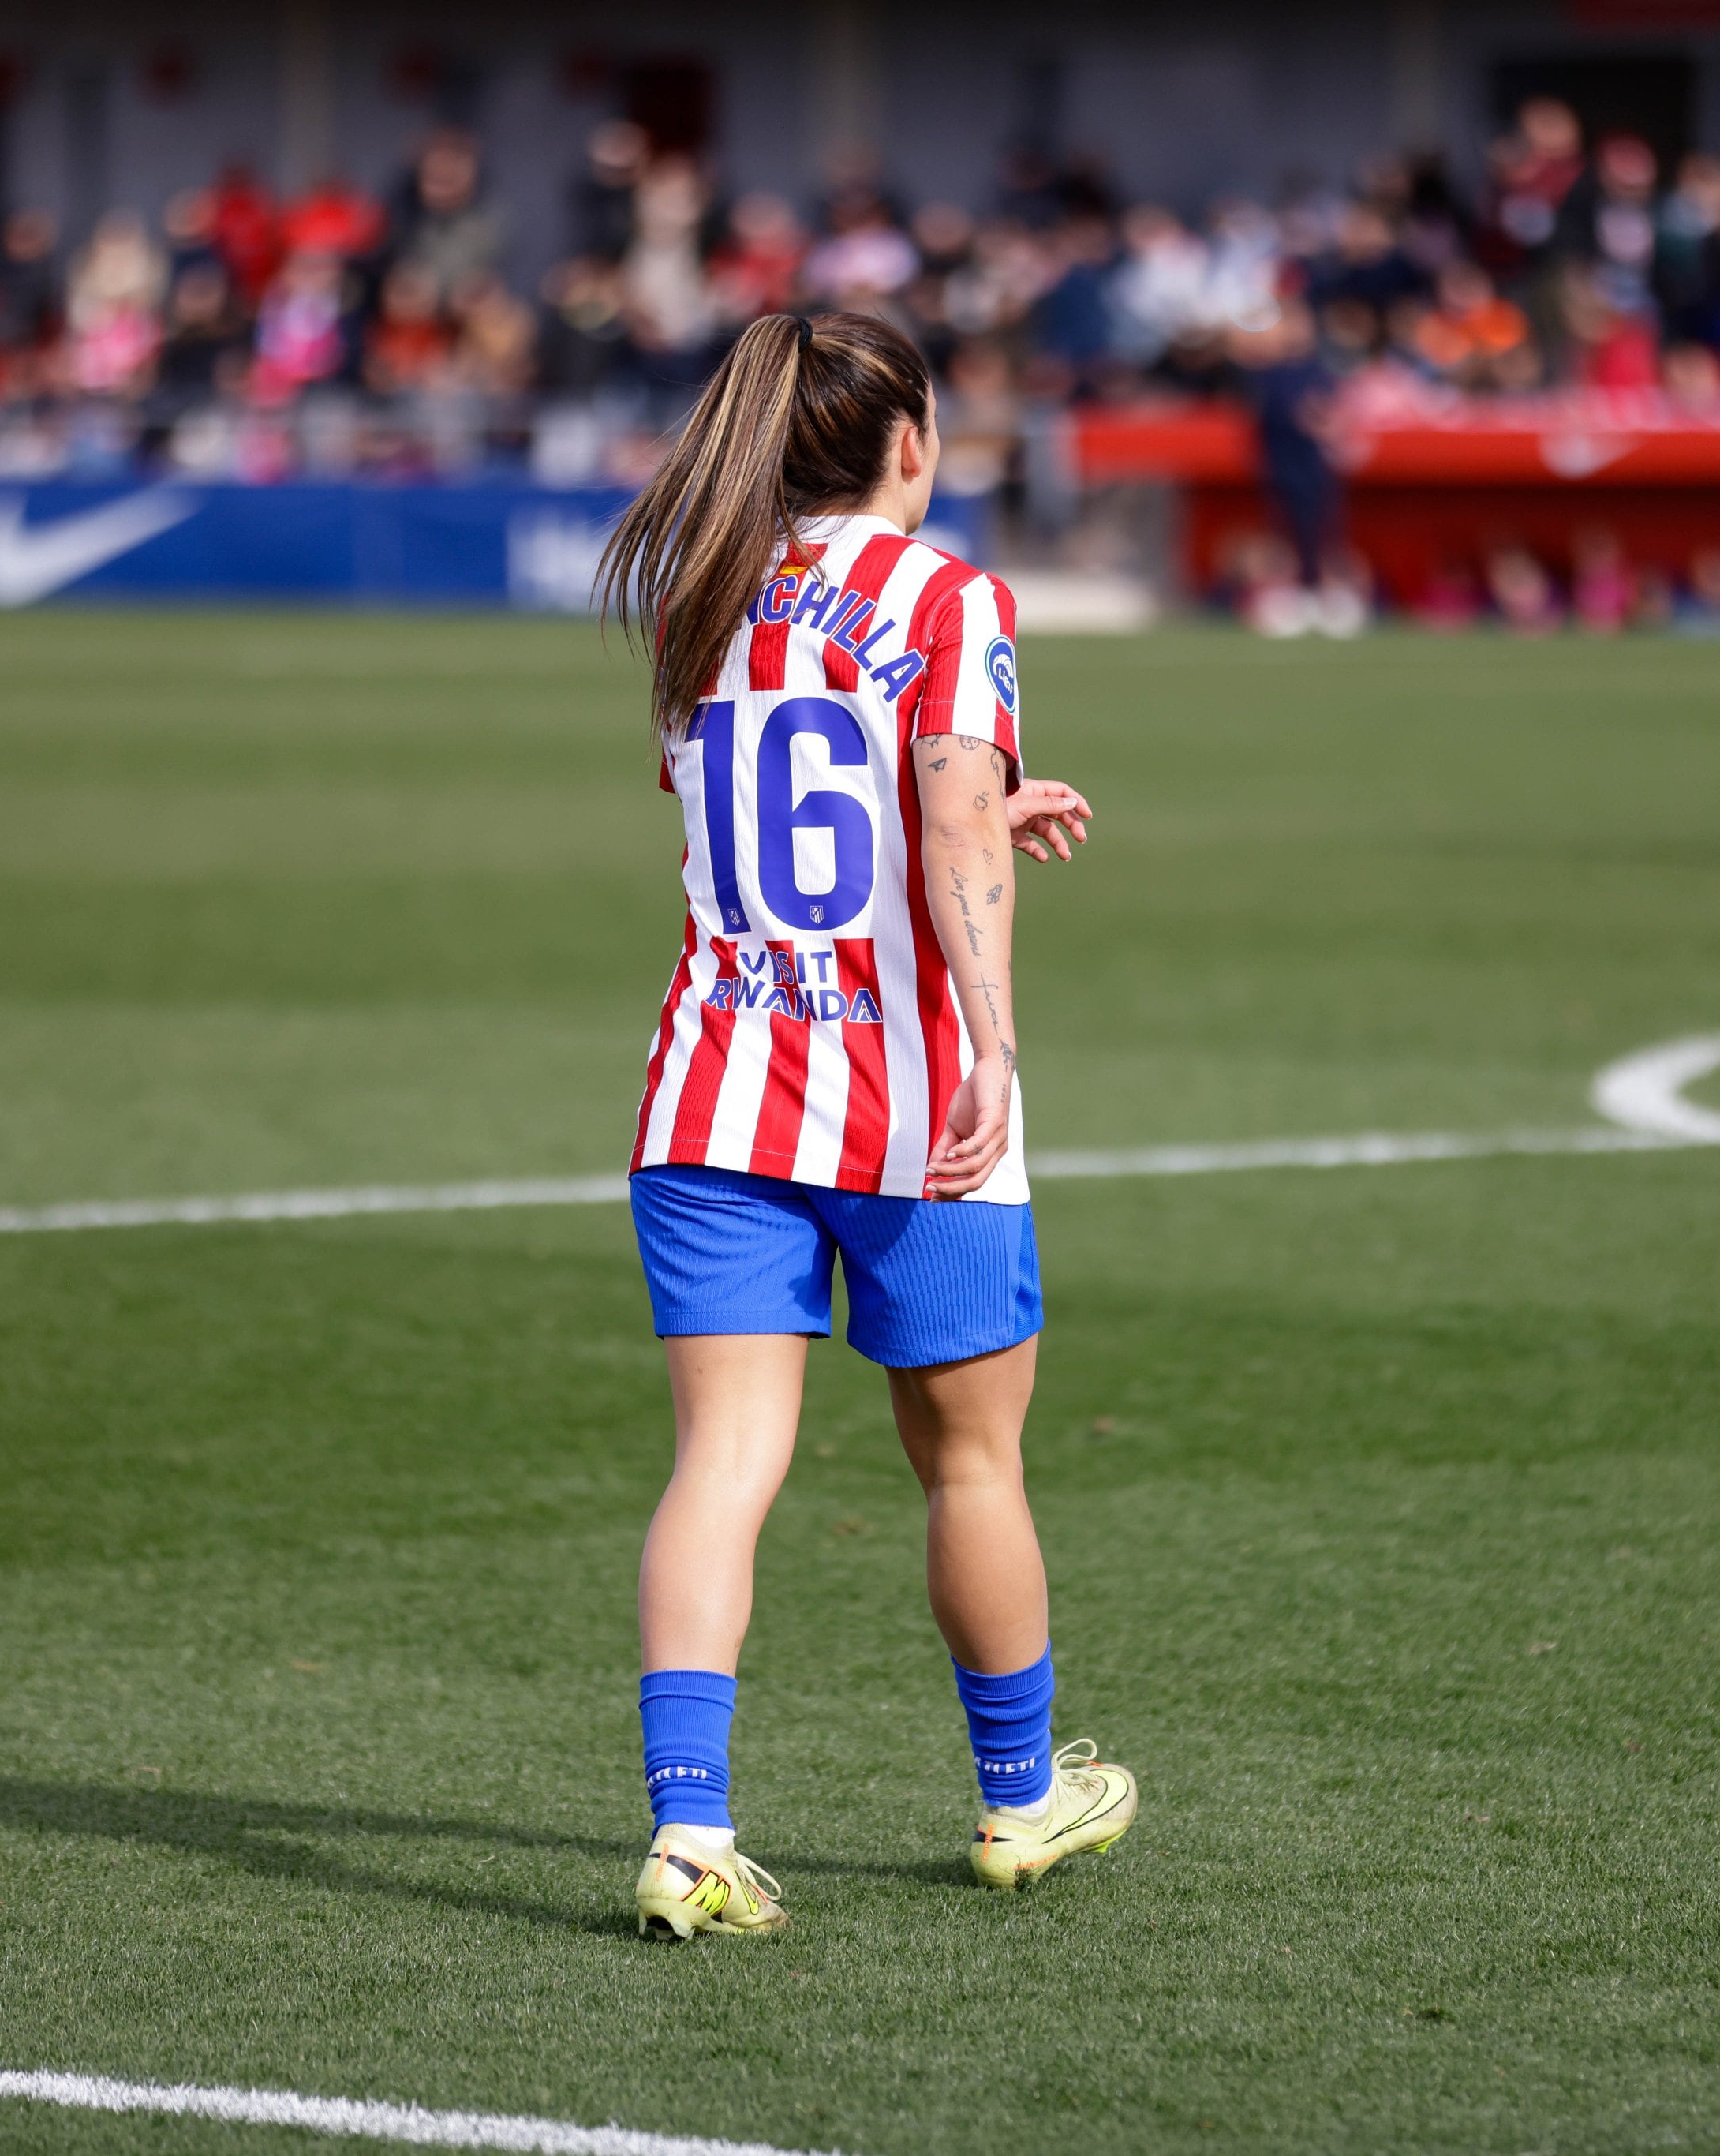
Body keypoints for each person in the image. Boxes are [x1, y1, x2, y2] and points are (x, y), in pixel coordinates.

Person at [593, 311, 1127, 1941]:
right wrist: (993, 1032)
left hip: (711, 1090)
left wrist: (945, 811)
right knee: (968, 1458)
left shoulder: (700, 596)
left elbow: (760, 798)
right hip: (904, 1106)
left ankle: (690, 1833)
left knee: (722, 1462)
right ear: (908, 439)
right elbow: (946, 800)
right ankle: (1020, 1798)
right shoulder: (947, 594)